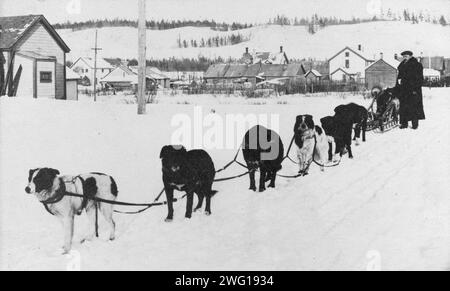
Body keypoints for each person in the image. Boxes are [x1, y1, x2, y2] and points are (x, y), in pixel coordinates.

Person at [395, 50, 425, 129]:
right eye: (404, 56)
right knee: (404, 107)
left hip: (413, 90)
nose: (405, 57)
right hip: (404, 90)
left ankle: (415, 124)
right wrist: (398, 85)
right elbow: (399, 77)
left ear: (411, 56)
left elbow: (420, 79)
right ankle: (404, 124)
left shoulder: (417, 65)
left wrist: (415, 89)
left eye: (406, 56)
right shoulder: (402, 65)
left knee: (414, 107)